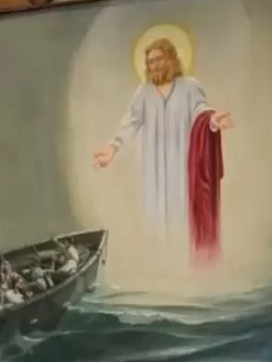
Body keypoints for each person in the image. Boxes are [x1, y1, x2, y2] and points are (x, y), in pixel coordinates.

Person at [93, 37, 233, 236]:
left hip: (182, 166)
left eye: (159, 59)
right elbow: (130, 122)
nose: (155, 65)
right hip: (153, 169)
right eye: (150, 62)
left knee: (184, 220)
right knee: (155, 221)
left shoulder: (190, 87)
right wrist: (112, 147)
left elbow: (200, 111)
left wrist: (212, 121)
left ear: (171, 59)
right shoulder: (144, 92)